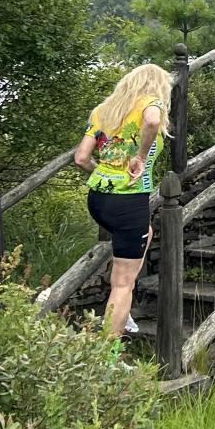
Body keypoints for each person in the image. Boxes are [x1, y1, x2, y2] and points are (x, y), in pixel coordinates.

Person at [73, 63, 173, 338]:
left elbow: (81, 158)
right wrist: (140, 157)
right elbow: (152, 121)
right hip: (129, 201)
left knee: (146, 233)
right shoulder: (151, 103)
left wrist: (104, 172)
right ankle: (110, 356)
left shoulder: (103, 110)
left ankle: (120, 309)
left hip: (98, 198)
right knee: (123, 283)